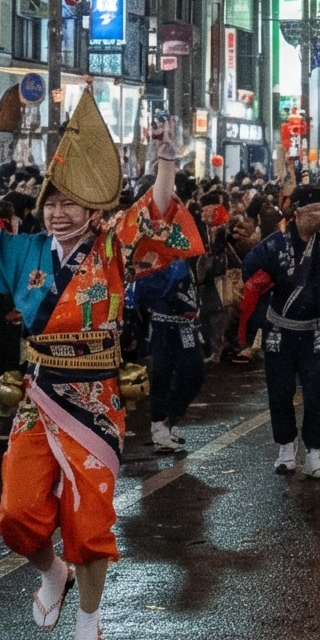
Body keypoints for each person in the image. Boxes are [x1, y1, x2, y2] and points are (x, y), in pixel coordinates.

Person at [0, 92, 130, 640]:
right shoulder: (24, 250)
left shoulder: (113, 250)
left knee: (89, 521)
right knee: (16, 514)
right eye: (52, 203)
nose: (58, 213)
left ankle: (89, 618)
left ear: (96, 210)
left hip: (96, 400)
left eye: (72, 205)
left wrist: (168, 166)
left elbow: (162, 220)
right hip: (41, 393)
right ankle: (53, 571)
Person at [242, 178, 320, 478]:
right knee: (280, 391)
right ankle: (285, 449)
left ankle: (314, 455)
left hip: (315, 331)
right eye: (316, 210)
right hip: (280, 330)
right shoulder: (275, 245)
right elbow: (249, 270)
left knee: (317, 393)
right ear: (299, 214)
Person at [116, 125, 208, 454]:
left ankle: (168, 421)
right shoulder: (130, 235)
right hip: (161, 319)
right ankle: (159, 426)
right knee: (164, 371)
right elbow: (140, 284)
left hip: (185, 318)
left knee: (193, 373)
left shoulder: (178, 234)